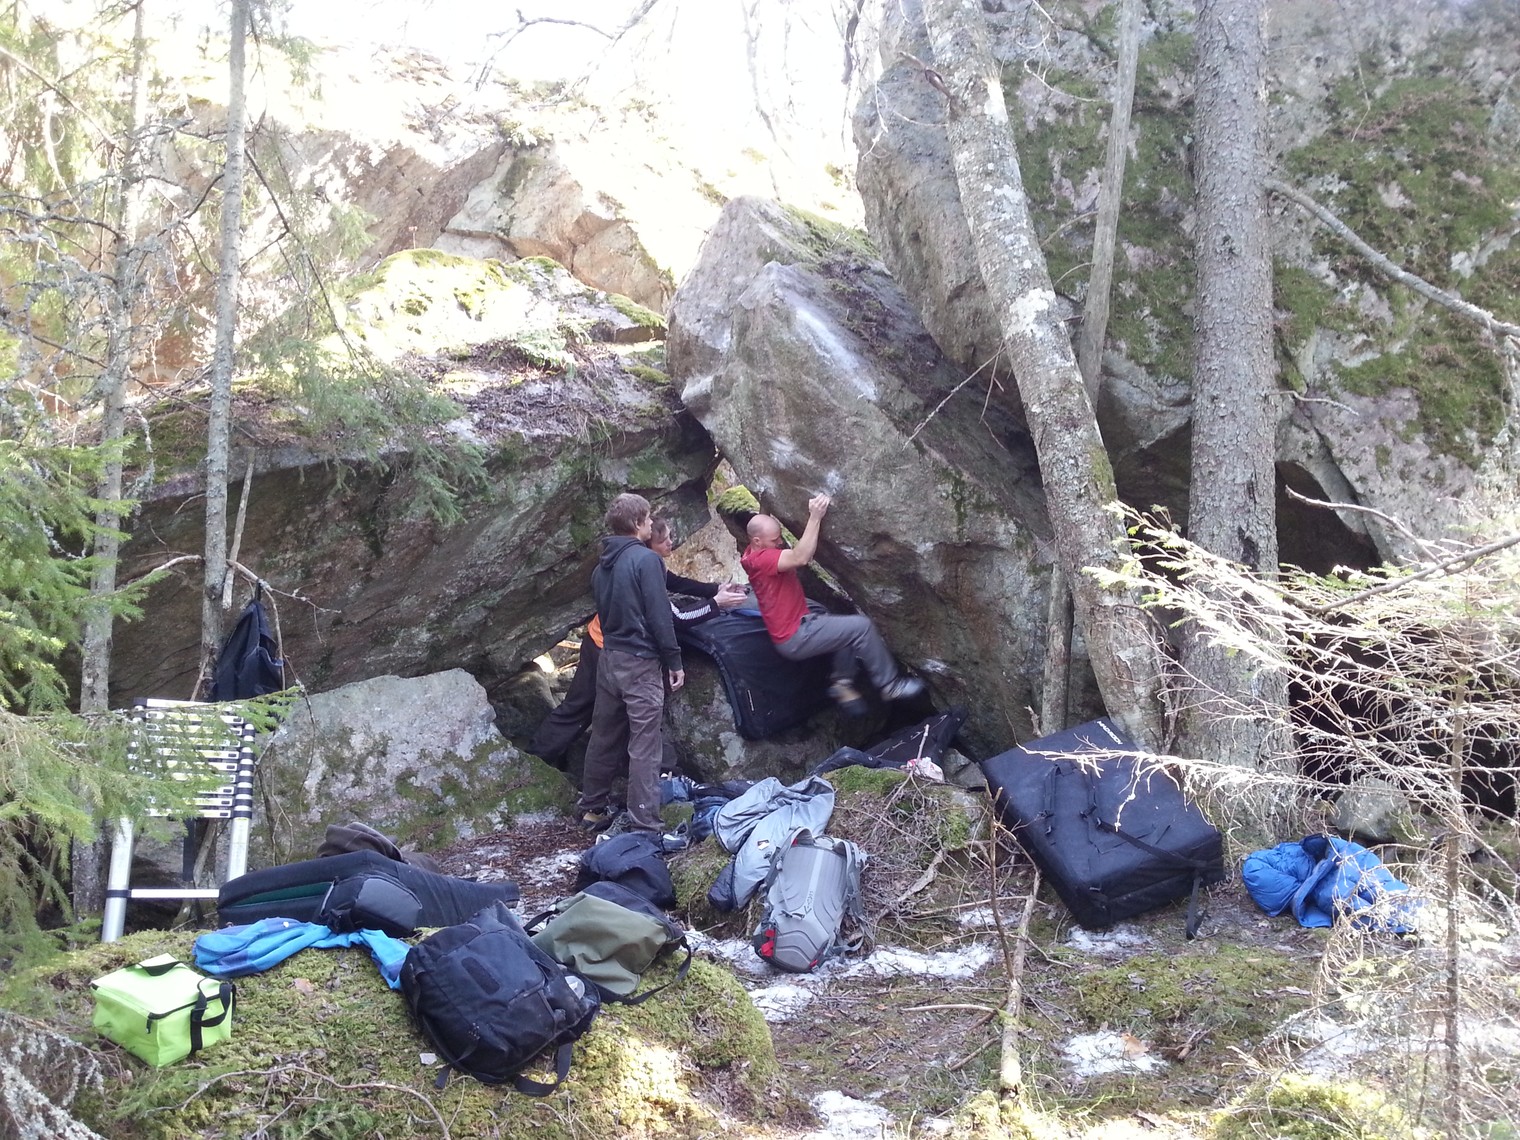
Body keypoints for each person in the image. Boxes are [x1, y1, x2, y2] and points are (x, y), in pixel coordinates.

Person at [532, 521, 744, 769]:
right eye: (664, 540)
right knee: (584, 708)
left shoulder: (639, 562)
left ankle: (553, 756)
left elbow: (675, 582)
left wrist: (716, 589)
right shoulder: (645, 569)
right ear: (649, 546)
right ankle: (538, 758)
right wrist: (716, 604)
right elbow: (676, 618)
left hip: (601, 639)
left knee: (586, 708)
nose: (671, 543)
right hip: (608, 648)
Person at [573, 494, 695, 835]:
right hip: (639, 662)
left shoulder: (601, 567)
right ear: (638, 523)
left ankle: (592, 808)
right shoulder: (646, 560)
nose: (651, 522)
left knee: (604, 735)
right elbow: (659, 614)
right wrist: (673, 659)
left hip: (609, 658)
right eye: (649, 517)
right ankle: (645, 824)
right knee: (644, 744)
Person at [740, 493, 924, 711]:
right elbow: (801, 557)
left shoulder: (751, 553)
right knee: (861, 627)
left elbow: (760, 527)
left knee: (841, 630)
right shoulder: (762, 560)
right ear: (757, 541)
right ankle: (890, 686)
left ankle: (841, 684)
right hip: (797, 636)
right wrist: (815, 516)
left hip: (795, 631)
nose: (780, 542)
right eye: (775, 540)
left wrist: (765, 504)